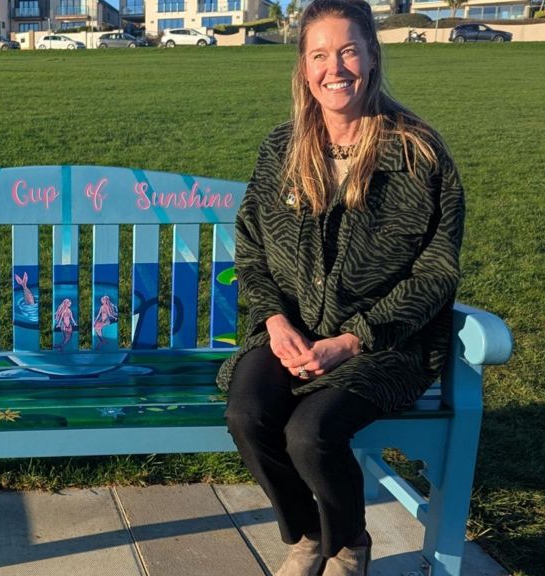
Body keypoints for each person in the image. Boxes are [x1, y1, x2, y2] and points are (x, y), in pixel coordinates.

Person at [214, 0, 465, 574]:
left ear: (373, 56)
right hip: (292, 334)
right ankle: (307, 535)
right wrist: (275, 323)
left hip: (387, 343)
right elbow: (251, 247)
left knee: (310, 433)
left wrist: (353, 339)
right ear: (304, 67)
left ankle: (350, 543)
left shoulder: (419, 153)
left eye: (349, 50)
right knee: (247, 416)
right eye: (321, 54)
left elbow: (437, 270)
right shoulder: (282, 149)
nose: (337, 67)